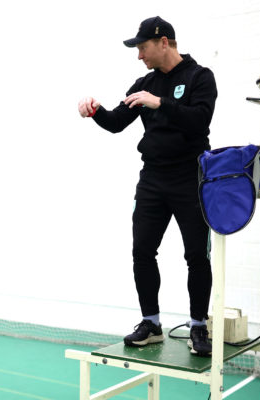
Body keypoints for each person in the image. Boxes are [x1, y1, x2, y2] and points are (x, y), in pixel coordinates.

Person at [77, 16, 217, 356]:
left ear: (164, 42)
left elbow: (199, 119)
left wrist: (161, 103)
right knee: (142, 252)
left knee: (196, 255)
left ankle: (199, 326)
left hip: (190, 177)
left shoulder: (200, 77)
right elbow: (115, 123)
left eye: (143, 47)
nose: (139, 55)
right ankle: (151, 323)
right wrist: (96, 112)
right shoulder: (144, 83)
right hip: (153, 179)